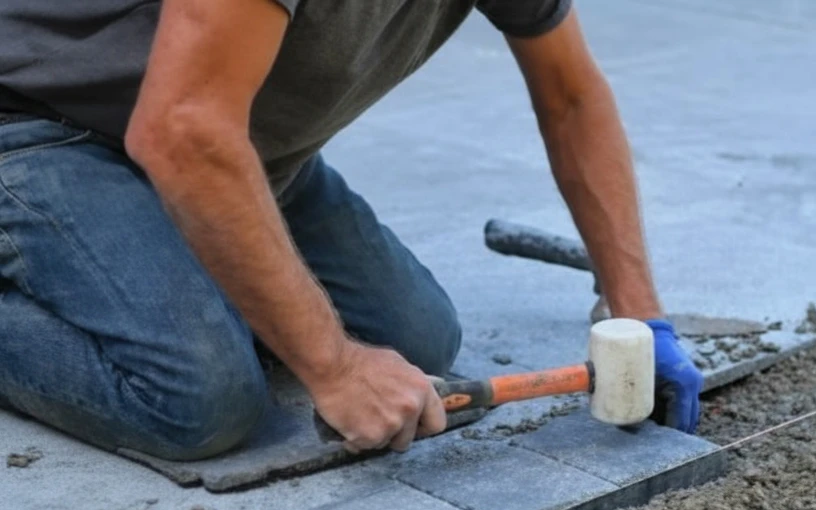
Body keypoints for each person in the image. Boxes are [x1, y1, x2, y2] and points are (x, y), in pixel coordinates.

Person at [0, 0, 702, 461]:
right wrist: (333, 367)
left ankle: (158, 250)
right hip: (43, 128)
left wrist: (641, 316)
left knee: (417, 338)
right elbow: (182, 131)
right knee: (201, 397)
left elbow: (572, 96)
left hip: (244, 148)